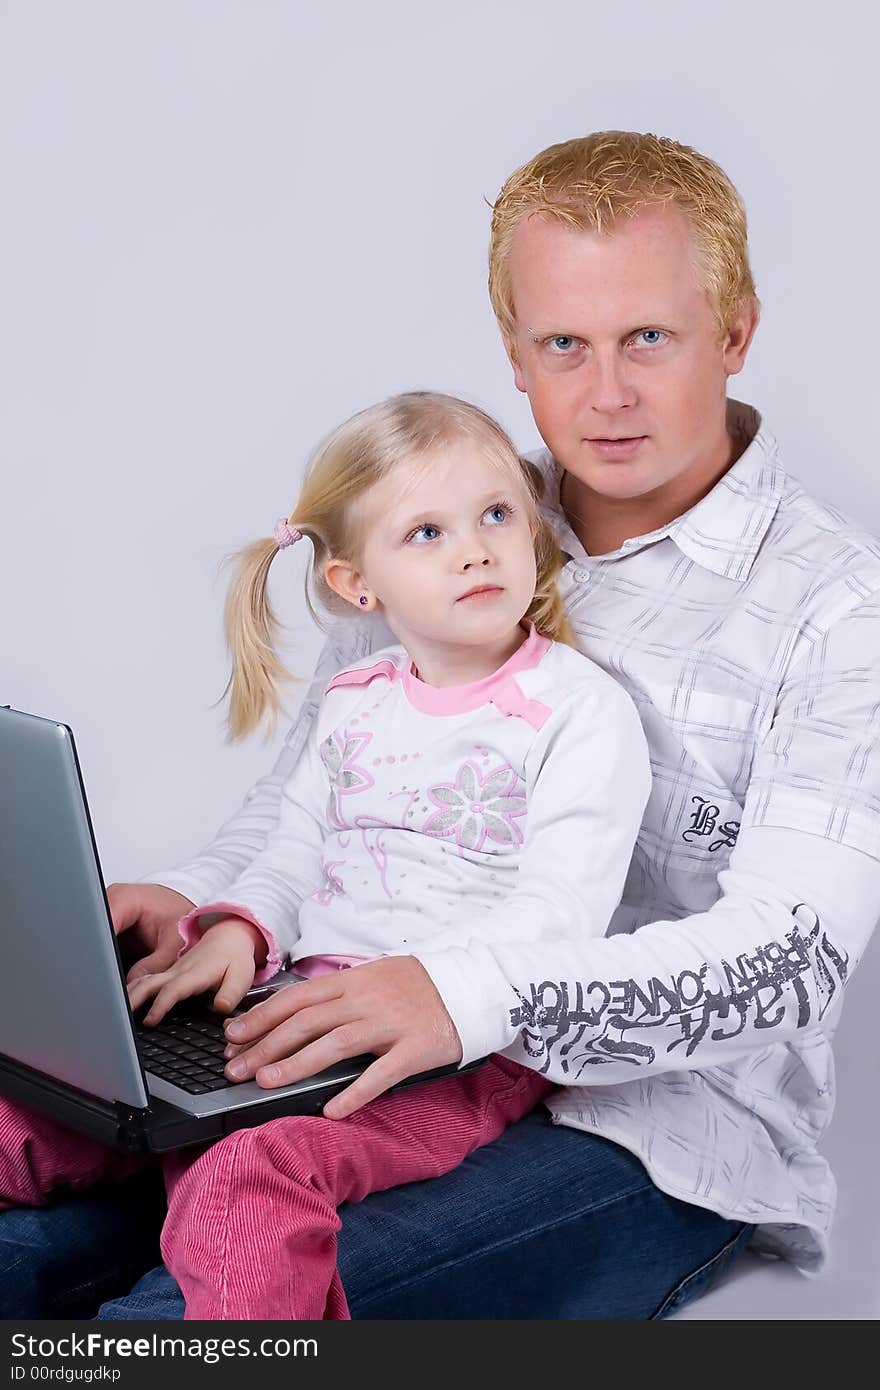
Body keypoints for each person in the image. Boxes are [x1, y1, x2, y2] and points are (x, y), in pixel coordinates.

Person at [2, 129, 878, 1321]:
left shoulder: (834, 607)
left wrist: (467, 996)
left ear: (734, 331)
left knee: (177, 1323)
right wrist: (207, 902)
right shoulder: (446, 514)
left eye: (650, 340)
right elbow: (319, 795)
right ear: (513, 351)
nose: (606, 391)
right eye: (563, 343)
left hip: (653, 1128)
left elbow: (792, 963)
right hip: (344, 1036)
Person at [0, 393, 651, 1319]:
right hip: (298, 1006)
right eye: (427, 531)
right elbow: (294, 852)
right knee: (35, 1114)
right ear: (357, 585)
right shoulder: (357, 699)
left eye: (497, 515)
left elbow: (561, 919)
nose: (475, 549)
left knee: (249, 1176)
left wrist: (421, 988)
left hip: (458, 1051)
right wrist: (240, 930)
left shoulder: (579, 712)